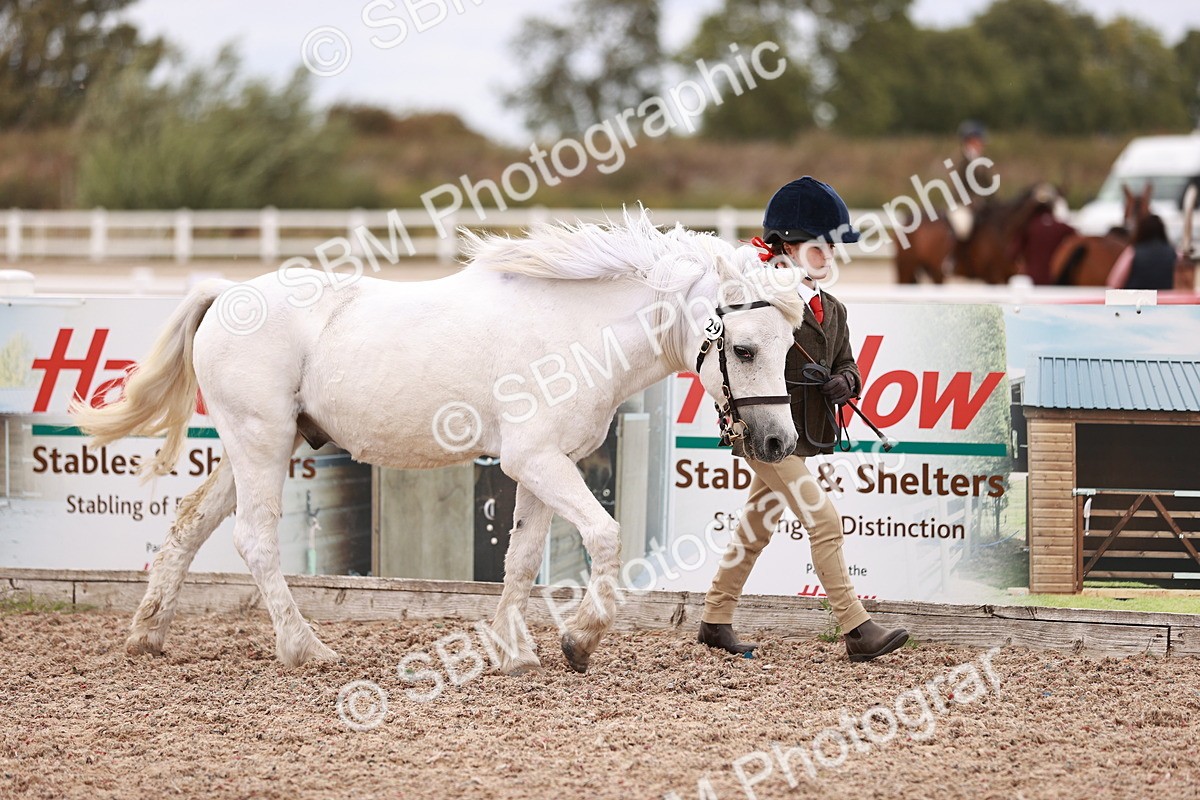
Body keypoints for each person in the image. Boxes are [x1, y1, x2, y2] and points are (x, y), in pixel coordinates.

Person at [697, 177, 910, 663]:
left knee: (757, 524)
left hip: (805, 434)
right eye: (819, 246)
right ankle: (856, 628)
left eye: (831, 247)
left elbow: (848, 363)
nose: (829, 256)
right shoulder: (762, 305)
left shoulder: (832, 309)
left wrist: (846, 383)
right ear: (787, 246)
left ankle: (714, 618)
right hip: (767, 434)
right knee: (825, 520)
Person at [1016, 186, 1077, 286]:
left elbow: (1014, 253)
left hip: (1032, 281)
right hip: (1057, 281)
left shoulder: (1026, 227)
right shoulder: (1063, 228)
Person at [1106, 214, 1177, 290]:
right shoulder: (1174, 253)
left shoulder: (1132, 252)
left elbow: (1114, 282)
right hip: (1166, 299)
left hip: (1136, 299)